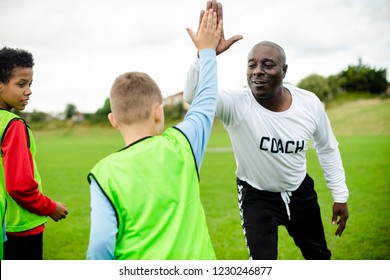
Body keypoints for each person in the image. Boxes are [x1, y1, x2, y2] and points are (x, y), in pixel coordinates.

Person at [183, 0, 349, 260]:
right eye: (251, 65)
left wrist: (340, 195)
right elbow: (194, 95)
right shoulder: (237, 104)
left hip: (300, 193)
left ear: (284, 70)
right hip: (256, 196)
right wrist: (205, 54)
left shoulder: (309, 103)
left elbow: (327, 148)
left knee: (320, 258)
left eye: (267, 64)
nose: (257, 71)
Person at [86, 9, 222, 260]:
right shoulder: (182, 144)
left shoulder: (103, 173)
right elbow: (205, 101)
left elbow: (100, 246)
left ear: (113, 121)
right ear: (158, 112)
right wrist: (207, 52)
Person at [0, 47, 69, 260]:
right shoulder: (13, 125)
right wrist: (50, 207)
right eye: (21, 84)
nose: (28, 91)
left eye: (30, 84)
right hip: (20, 228)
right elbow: (20, 187)